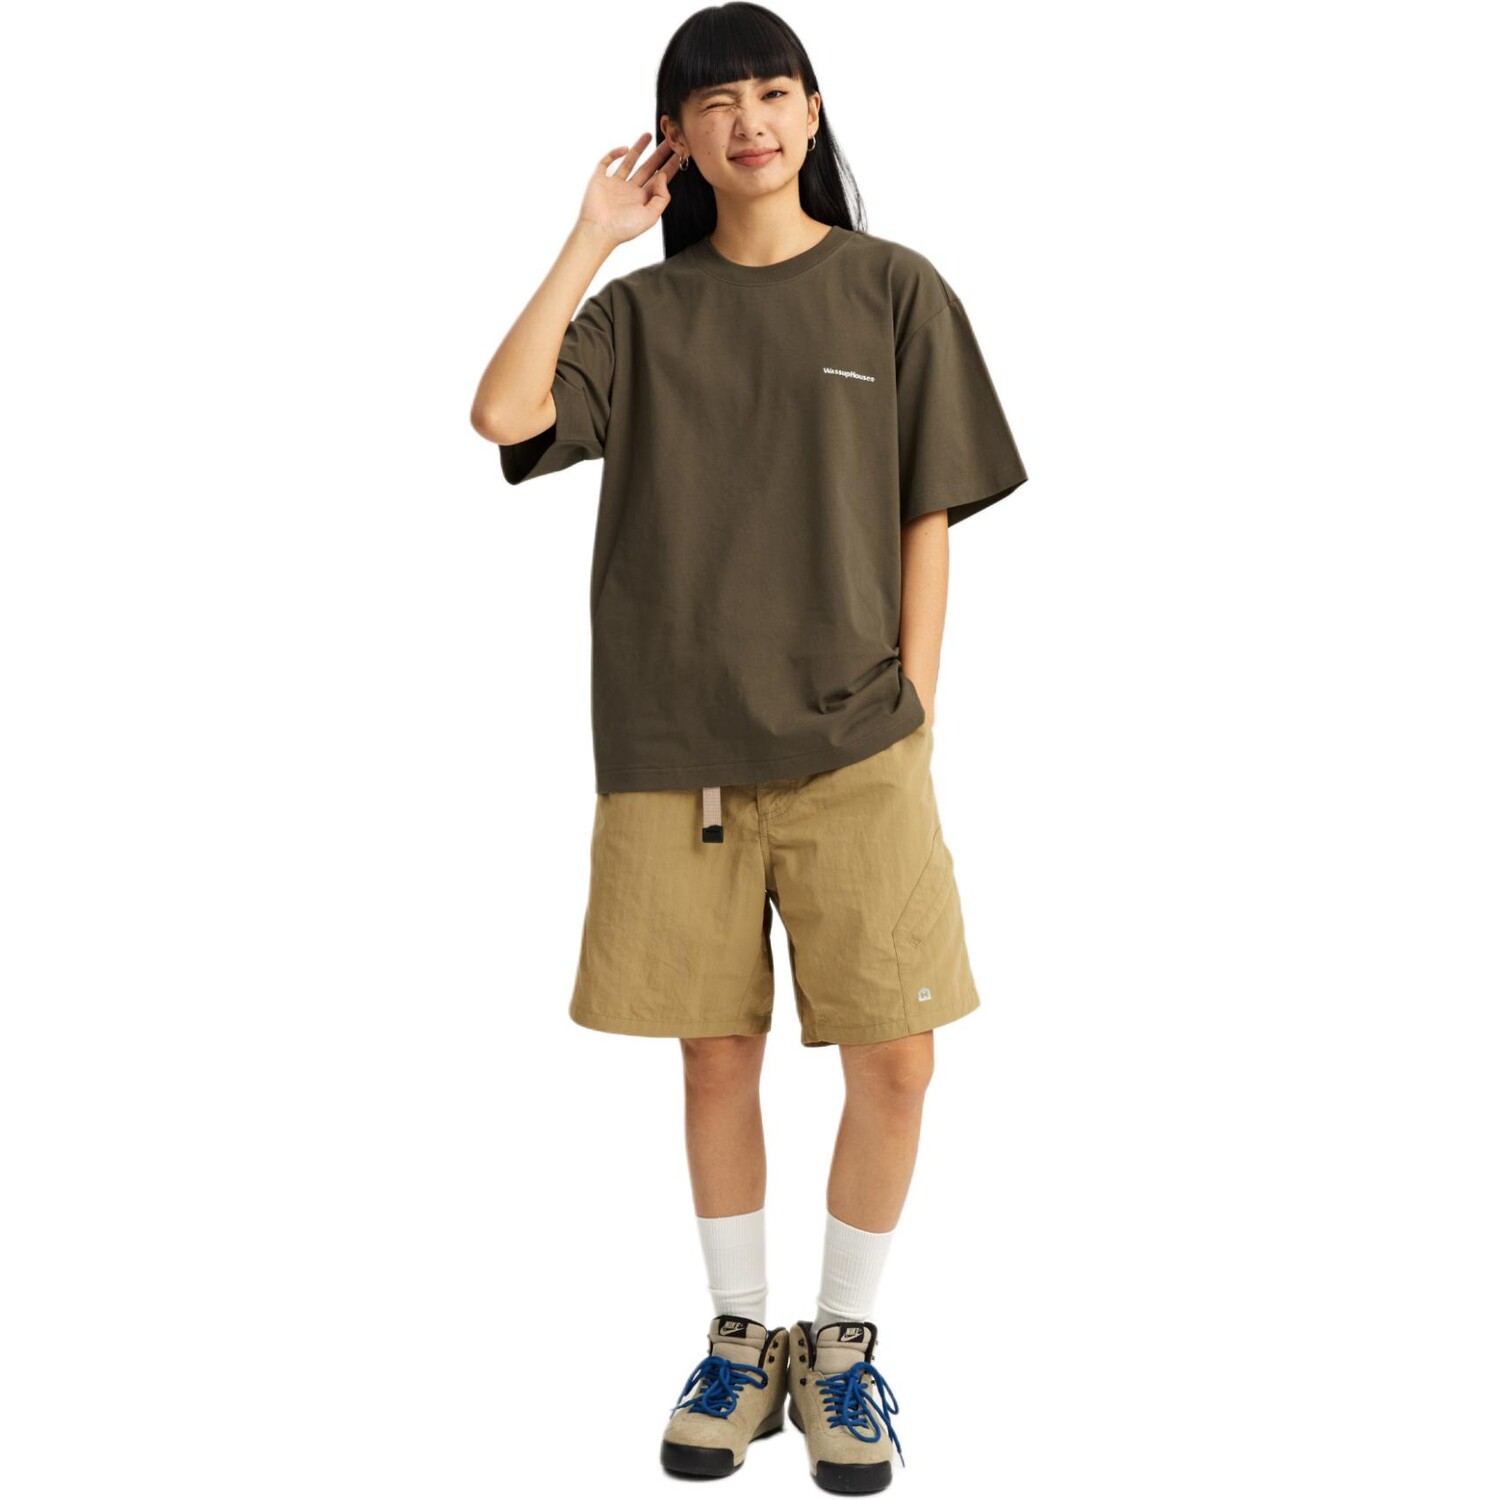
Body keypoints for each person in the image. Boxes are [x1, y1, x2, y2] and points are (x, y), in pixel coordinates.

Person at [470, 4, 1027, 1489]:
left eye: (774, 93)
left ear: (814, 112)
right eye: (715, 104)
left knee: (897, 1058)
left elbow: (928, 507)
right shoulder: (641, 317)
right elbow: (503, 411)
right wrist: (592, 237)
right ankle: (738, 1343)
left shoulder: (894, 289)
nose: (750, 123)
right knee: (717, 1055)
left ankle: (840, 1350)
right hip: (676, 749)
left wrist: (914, 706)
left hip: (860, 747)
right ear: (677, 139)